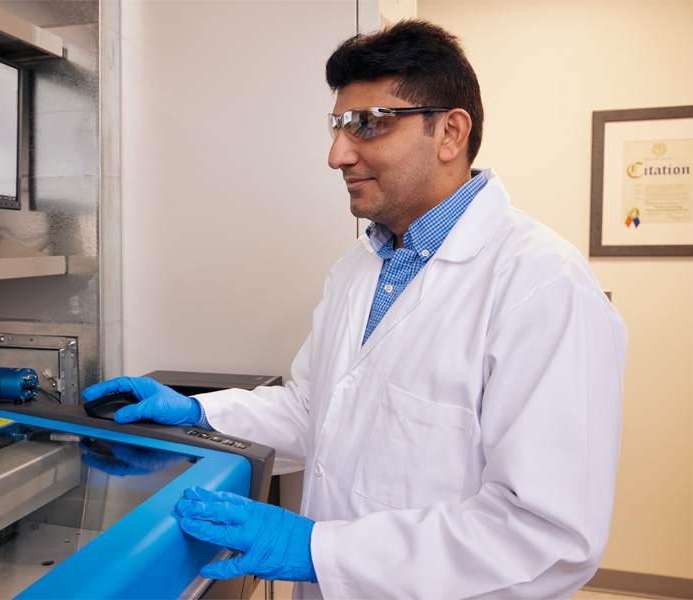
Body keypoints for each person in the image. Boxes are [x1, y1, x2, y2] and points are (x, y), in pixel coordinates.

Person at [83, 19, 627, 599]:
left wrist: (319, 549)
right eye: (339, 126)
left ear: (450, 132)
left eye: (368, 125)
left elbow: (546, 538)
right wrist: (198, 416)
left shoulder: (544, 285)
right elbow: (313, 412)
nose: (337, 154)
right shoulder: (360, 267)